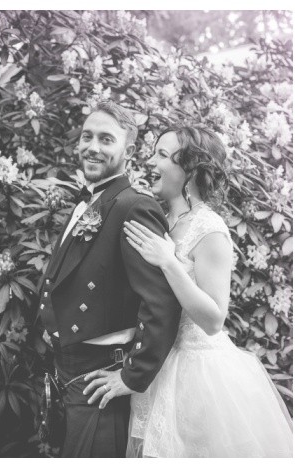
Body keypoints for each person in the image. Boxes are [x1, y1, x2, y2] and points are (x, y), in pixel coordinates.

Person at [121, 126, 293, 457]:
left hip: (198, 375)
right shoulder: (159, 220)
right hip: (155, 365)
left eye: (161, 154)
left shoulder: (210, 229)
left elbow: (214, 318)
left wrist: (169, 263)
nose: (150, 161)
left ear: (190, 170)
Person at [36, 101, 181, 457]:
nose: (92, 147)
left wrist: (131, 376)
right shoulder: (87, 202)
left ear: (128, 151)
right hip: (66, 370)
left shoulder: (134, 206)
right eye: (87, 137)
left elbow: (161, 303)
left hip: (99, 381)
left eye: (106, 139)